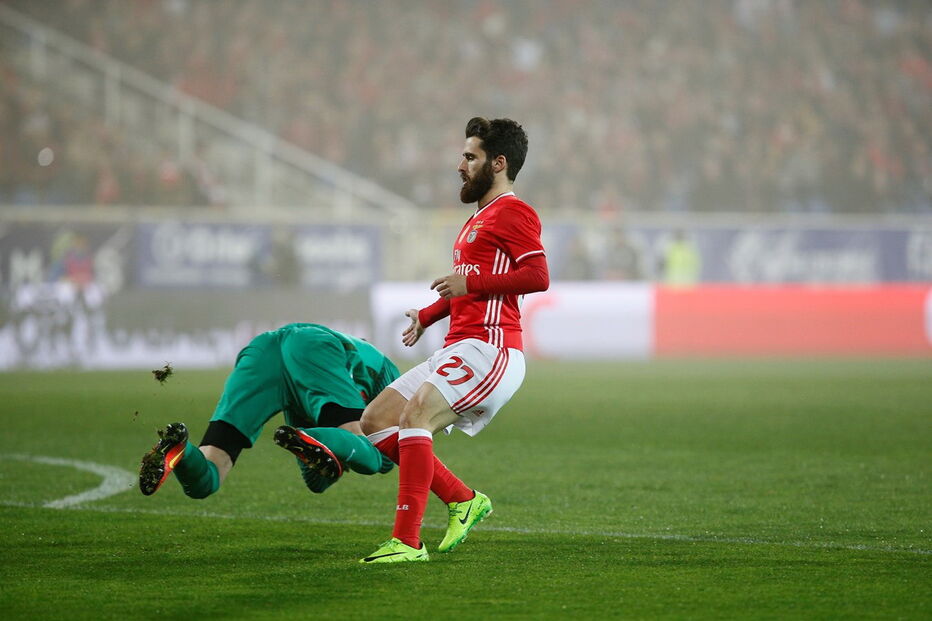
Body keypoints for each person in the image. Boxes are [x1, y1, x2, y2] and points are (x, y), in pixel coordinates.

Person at [354, 117, 549, 563]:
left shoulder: (515, 212)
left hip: (494, 348)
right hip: (460, 343)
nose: (460, 165)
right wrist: (429, 314)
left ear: (498, 163)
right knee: (377, 420)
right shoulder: (476, 219)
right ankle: (462, 499)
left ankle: (405, 542)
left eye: (470, 157)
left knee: (417, 411)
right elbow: (465, 289)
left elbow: (538, 276)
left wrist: (472, 283)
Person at [138, 323, 399, 499]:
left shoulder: (319, 392)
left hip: (262, 351)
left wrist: (337, 457)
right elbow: (380, 451)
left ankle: (180, 451)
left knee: (207, 479)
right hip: (313, 346)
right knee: (380, 457)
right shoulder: (386, 372)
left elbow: (315, 481)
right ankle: (343, 446)